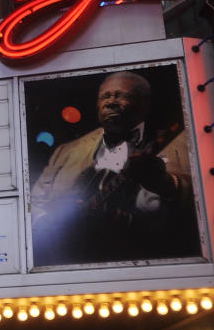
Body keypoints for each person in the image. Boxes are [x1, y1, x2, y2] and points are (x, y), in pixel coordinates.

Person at [30, 71, 198, 265]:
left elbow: (201, 198)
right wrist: (50, 225)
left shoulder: (180, 140)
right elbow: (34, 203)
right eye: (105, 96)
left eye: (121, 95)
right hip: (70, 260)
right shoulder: (66, 151)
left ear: (145, 103)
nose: (111, 102)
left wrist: (169, 184)